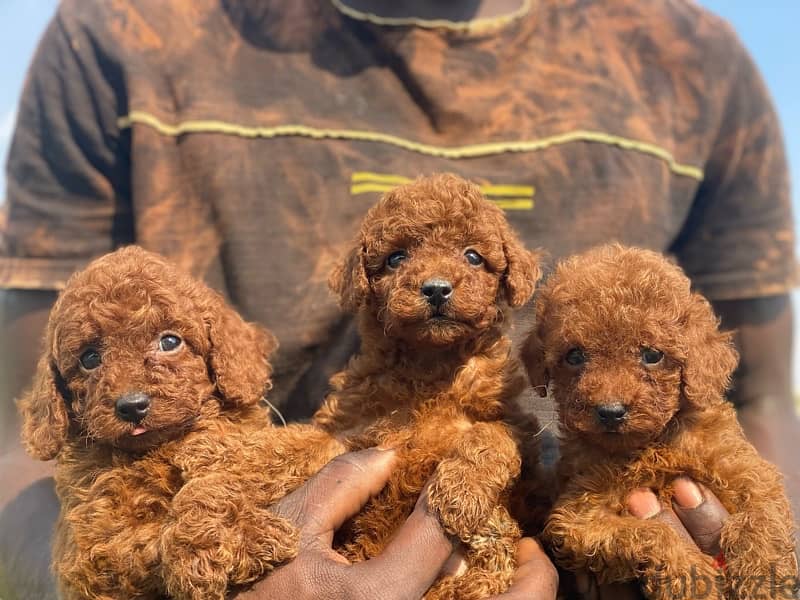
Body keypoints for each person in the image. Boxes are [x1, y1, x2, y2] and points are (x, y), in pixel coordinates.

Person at [0, 0, 797, 597]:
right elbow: (24, 431)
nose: (440, 280)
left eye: (474, 259)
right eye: (398, 261)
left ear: (513, 275)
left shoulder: (689, 60)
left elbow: (758, 396)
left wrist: (756, 553)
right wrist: (144, 579)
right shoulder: (126, 32)